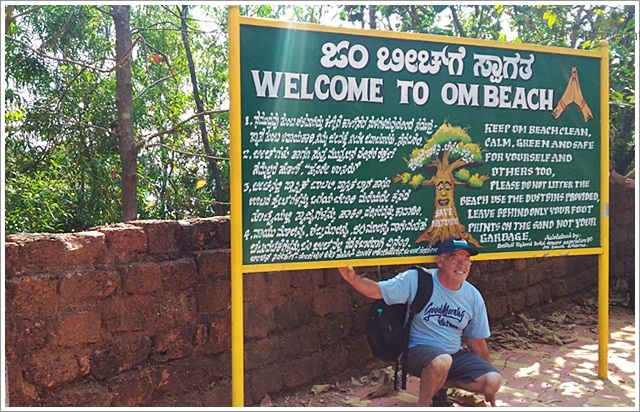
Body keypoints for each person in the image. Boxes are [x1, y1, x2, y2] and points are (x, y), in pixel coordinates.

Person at [338, 238, 502, 407]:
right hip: (415, 351)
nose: (461, 265)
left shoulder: (473, 296)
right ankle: (423, 405)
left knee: (493, 381)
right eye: (454, 259)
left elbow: (477, 342)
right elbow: (377, 291)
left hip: (453, 355)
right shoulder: (418, 279)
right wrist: (352, 278)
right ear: (440, 262)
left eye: (466, 259)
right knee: (441, 361)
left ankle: (441, 382)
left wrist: (489, 384)